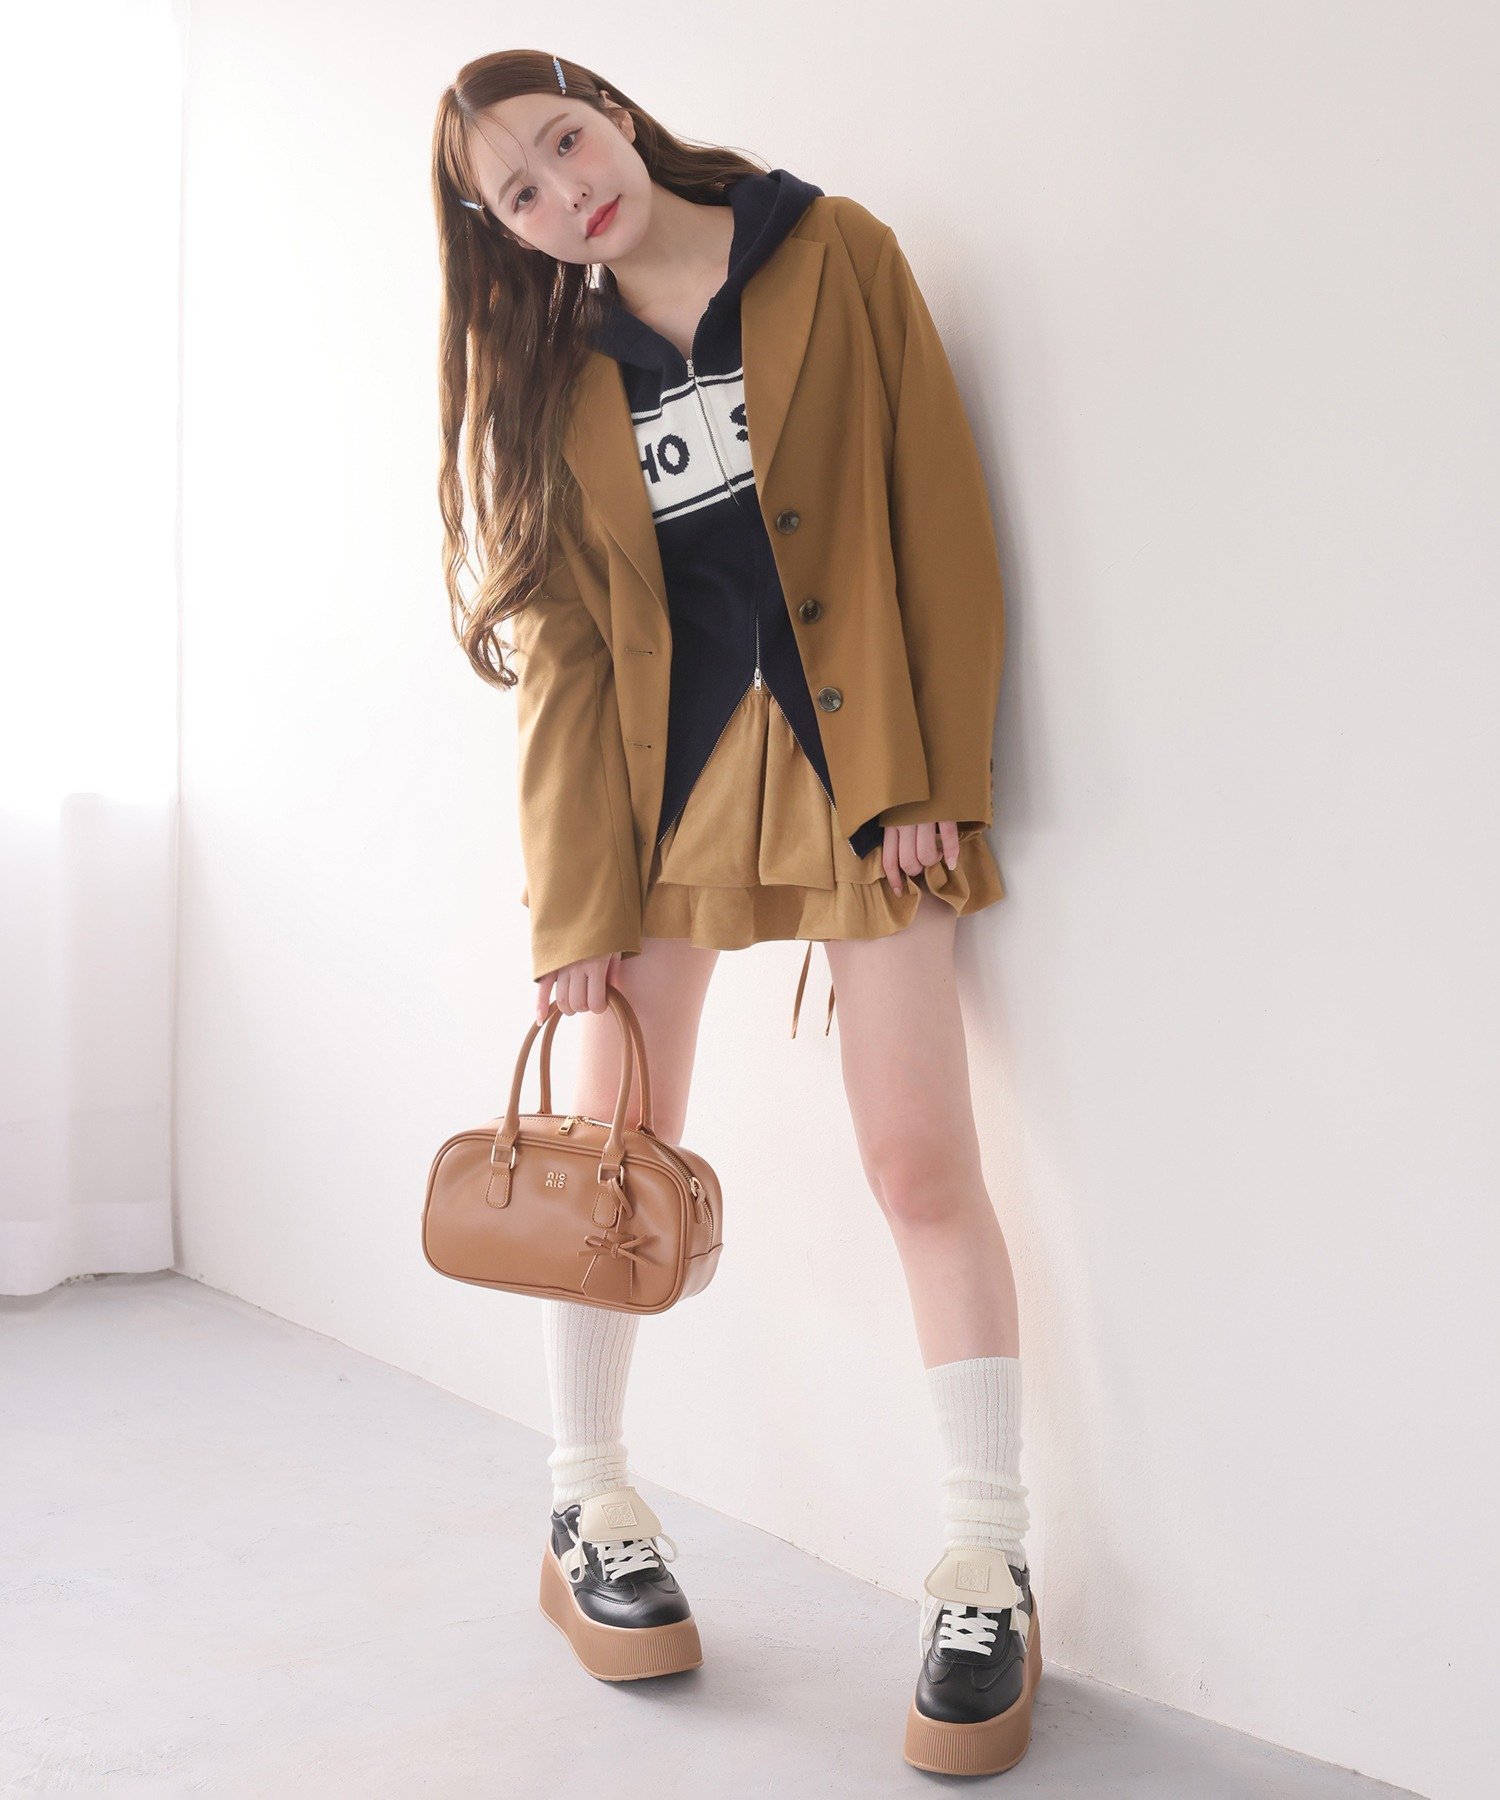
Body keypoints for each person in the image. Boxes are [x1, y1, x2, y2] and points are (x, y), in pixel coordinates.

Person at [431, 49, 1039, 1777]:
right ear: (502, 230)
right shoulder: (553, 375)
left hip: (863, 776)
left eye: (567, 141)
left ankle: (987, 1562)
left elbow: (938, 517)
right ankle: (586, 1502)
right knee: (608, 1167)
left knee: (919, 1163)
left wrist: (938, 775)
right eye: (519, 194)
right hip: (659, 801)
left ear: (614, 111)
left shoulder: (832, 253)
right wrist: (571, 909)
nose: (566, 193)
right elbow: (564, 655)